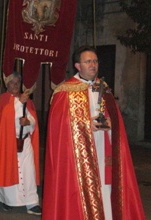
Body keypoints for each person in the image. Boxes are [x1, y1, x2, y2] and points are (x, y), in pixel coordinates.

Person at [42, 45, 145, 219]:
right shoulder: (64, 91)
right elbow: (58, 127)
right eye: (88, 61)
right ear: (77, 66)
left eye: (95, 61)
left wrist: (113, 124)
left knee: (106, 185)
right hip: (77, 155)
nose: (93, 65)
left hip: (103, 146)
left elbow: (114, 116)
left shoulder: (103, 87)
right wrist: (85, 124)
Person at [0, 72, 41, 216]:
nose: (15, 85)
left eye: (18, 82)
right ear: (6, 84)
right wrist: (19, 103)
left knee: (29, 171)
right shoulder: (1, 100)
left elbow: (33, 120)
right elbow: (5, 118)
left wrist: (28, 122)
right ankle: (8, 200)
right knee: (8, 170)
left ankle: (32, 203)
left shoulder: (27, 100)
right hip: (6, 144)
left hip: (25, 143)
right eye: (12, 82)